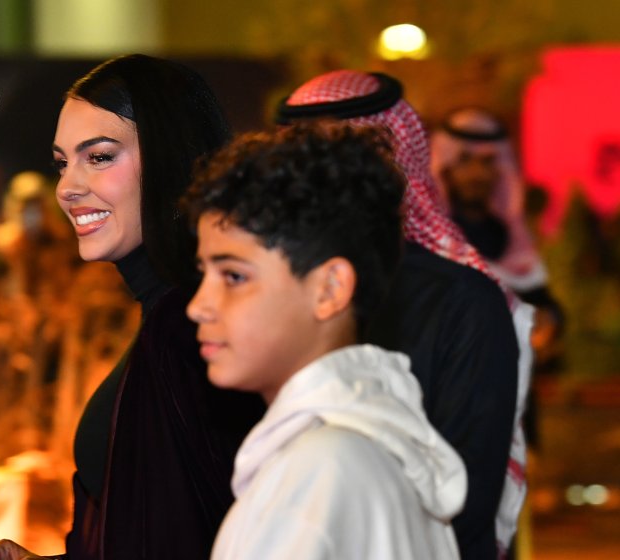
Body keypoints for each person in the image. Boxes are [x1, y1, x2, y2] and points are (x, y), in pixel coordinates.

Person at [0, 54, 264, 560]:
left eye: (101, 156)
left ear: (170, 158)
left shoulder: (189, 328)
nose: (67, 187)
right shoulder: (175, 316)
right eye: (62, 162)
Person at [275, 70, 533, 559]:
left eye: (354, 155)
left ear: (398, 165)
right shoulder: (278, 290)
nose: (328, 177)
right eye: (308, 156)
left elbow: (464, 497)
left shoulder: (462, 300)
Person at [184, 124, 466, 559]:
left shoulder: (317, 472)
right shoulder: (380, 444)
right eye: (203, 273)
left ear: (330, 288)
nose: (199, 306)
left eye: (234, 276)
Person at [430, 107, 564, 374]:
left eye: (488, 162)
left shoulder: (512, 237)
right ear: (445, 167)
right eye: (465, 161)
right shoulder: (429, 237)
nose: (477, 174)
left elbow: (541, 300)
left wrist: (547, 320)